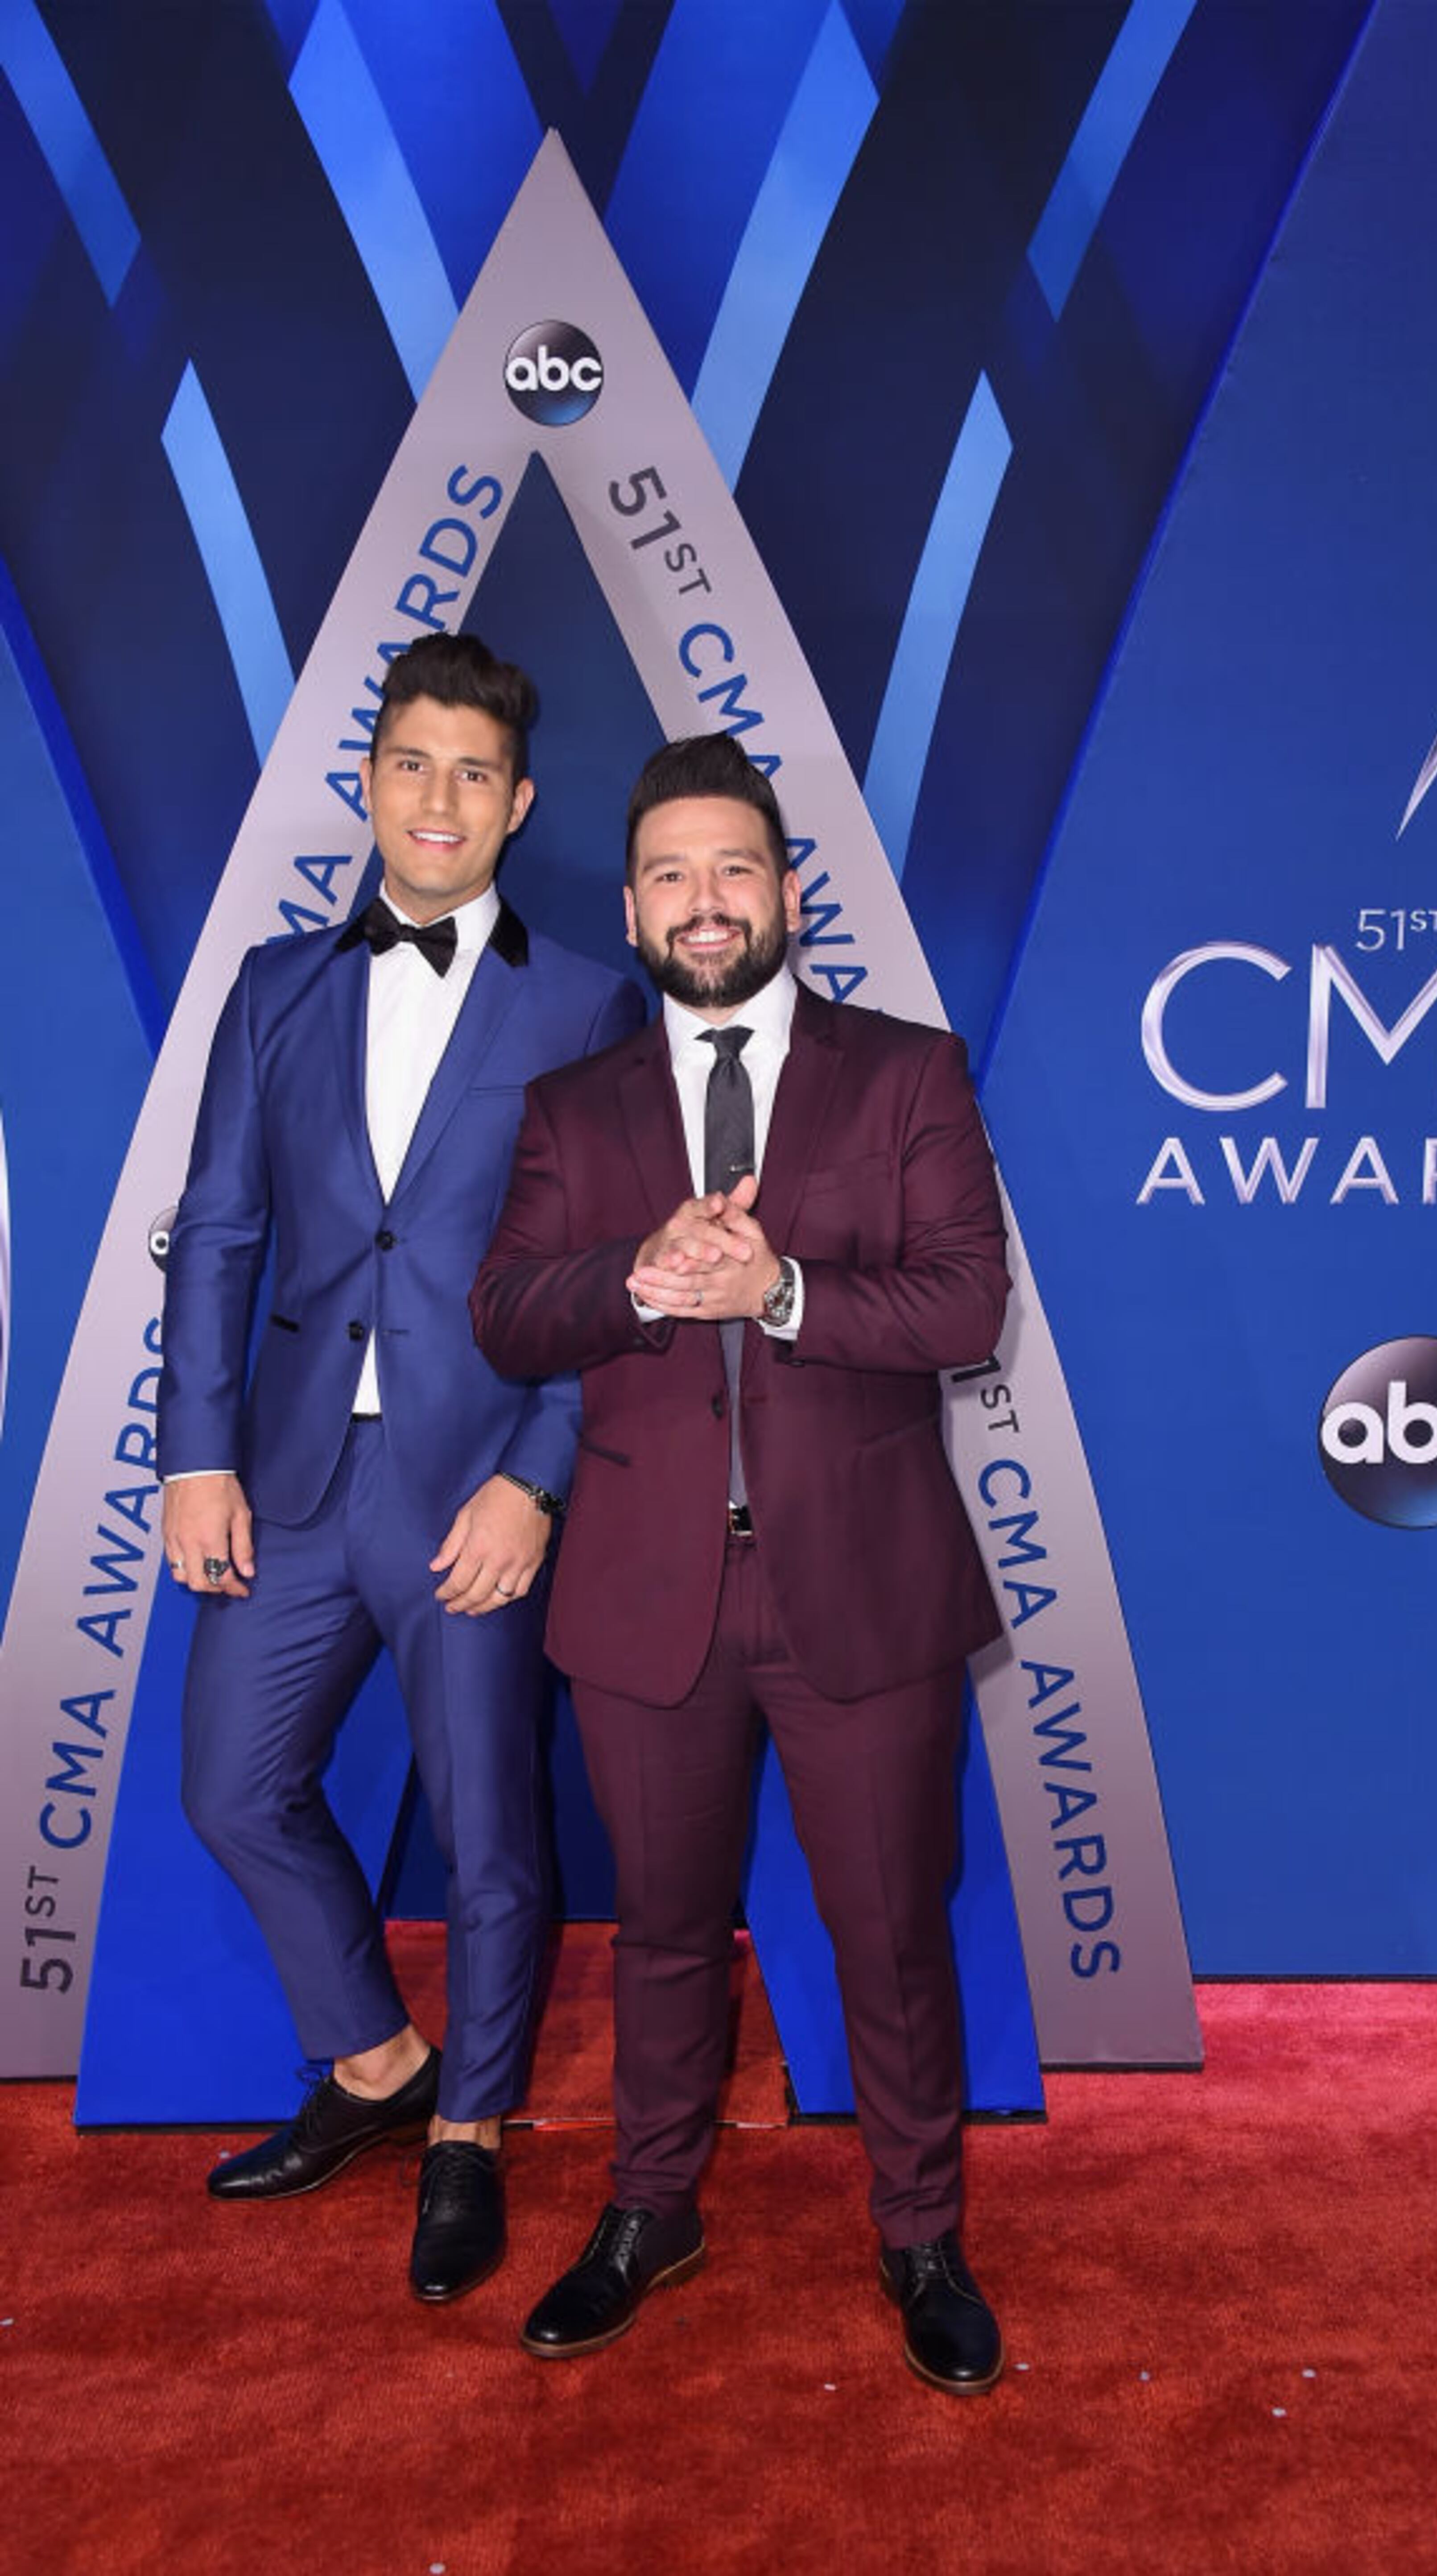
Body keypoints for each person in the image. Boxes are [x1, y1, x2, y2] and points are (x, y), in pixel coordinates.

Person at [470, 732, 1010, 2393]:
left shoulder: (906, 1071)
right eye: (671, 878)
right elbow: (505, 1321)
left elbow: (962, 1306)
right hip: (650, 1599)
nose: (706, 904)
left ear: (788, 889)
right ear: (632, 913)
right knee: (662, 1934)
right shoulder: (572, 1109)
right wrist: (636, 1274)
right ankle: (652, 2209)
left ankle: (921, 2234)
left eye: (733, 869)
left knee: (890, 1932)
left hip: (862, 1587)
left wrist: (777, 1292)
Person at [159, 631, 645, 2304]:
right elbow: (219, 1233)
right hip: (289, 1474)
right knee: (229, 1783)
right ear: (369, 781)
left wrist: (541, 1477)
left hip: (473, 1481)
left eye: (473, 775)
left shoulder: (587, 1002)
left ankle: (474, 2135)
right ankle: (377, 2065)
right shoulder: (274, 986)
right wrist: (194, 1457)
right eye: (411, 764)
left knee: (493, 1832)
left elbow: (617, 1276)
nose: (438, 801)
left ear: (517, 806)